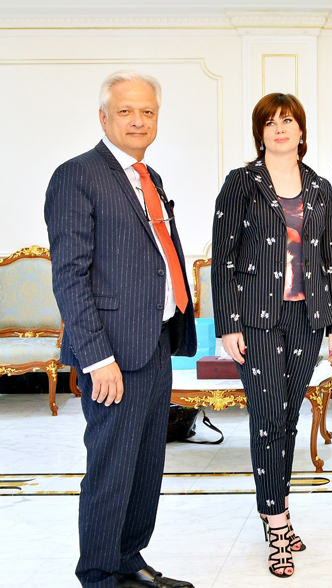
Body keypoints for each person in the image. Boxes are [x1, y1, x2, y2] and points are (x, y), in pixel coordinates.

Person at [45, 70, 196, 588]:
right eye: (126, 111)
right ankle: (98, 574)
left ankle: (129, 559)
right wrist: (96, 357)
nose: (138, 120)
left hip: (155, 341)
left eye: (147, 112)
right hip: (110, 351)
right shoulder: (77, 175)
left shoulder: (149, 177)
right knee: (112, 469)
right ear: (103, 117)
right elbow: (69, 275)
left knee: (146, 464)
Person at [211, 93, 332, 576]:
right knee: (268, 417)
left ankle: (277, 507)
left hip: (307, 318)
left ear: (301, 130)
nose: (280, 128)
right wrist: (228, 323)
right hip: (256, 319)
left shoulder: (320, 187)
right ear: (260, 133)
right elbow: (223, 258)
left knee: (287, 418)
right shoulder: (242, 183)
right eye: (270, 122)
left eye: (287, 120)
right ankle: (277, 524)